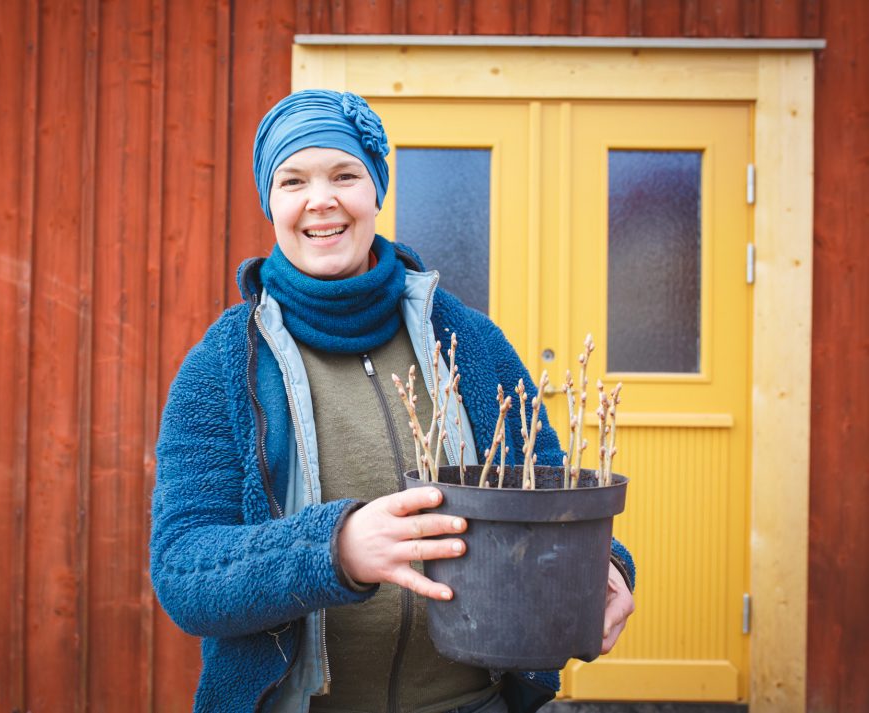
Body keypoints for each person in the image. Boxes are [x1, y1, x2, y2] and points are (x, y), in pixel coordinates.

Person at [150, 89, 635, 713]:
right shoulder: (223, 367)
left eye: (345, 174)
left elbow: (551, 495)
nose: (320, 198)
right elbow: (185, 572)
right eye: (292, 179)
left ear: (375, 190)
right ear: (271, 204)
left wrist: (608, 567)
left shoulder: (469, 343)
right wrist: (336, 548)